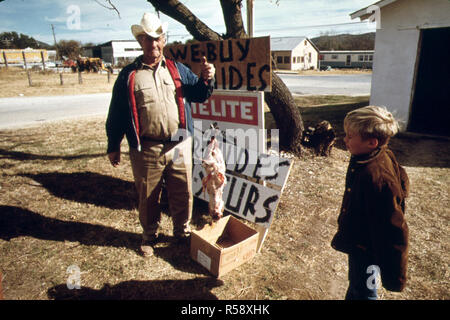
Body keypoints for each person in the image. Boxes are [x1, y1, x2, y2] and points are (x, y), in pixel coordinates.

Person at [106, 12, 215, 257]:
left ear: (164, 40)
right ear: (140, 41)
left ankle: (182, 231)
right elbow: (117, 113)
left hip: (179, 143)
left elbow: (199, 94)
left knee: (182, 190)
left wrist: (207, 79)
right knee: (148, 194)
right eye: (147, 38)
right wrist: (113, 144)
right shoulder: (128, 75)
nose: (153, 43)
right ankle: (149, 235)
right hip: (146, 147)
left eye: (157, 38)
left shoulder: (178, 69)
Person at [331, 106, 409, 300]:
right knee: (357, 284)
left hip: (369, 249)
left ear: (371, 142)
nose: (345, 139)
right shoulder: (373, 155)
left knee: (365, 292)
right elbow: (403, 179)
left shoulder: (377, 179)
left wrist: (395, 277)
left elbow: (394, 230)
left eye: (350, 136)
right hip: (360, 243)